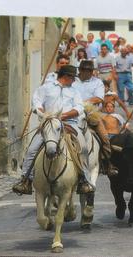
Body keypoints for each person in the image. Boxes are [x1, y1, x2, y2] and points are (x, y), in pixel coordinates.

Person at [12, 65, 95, 195]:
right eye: (73, 77)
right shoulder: (45, 88)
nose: (74, 81)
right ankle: (25, 180)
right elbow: (36, 104)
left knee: (83, 147)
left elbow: (79, 108)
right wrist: (45, 114)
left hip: (69, 123)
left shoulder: (75, 92)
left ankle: (84, 179)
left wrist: (64, 115)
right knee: (32, 149)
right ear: (66, 76)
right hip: (49, 123)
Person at [72, 60, 118, 177]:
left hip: (91, 113)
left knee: (104, 137)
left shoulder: (97, 82)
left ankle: (108, 163)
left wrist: (81, 103)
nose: (87, 73)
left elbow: (98, 98)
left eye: (90, 71)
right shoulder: (73, 81)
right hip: (72, 113)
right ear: (80, 70)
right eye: (84, 70)